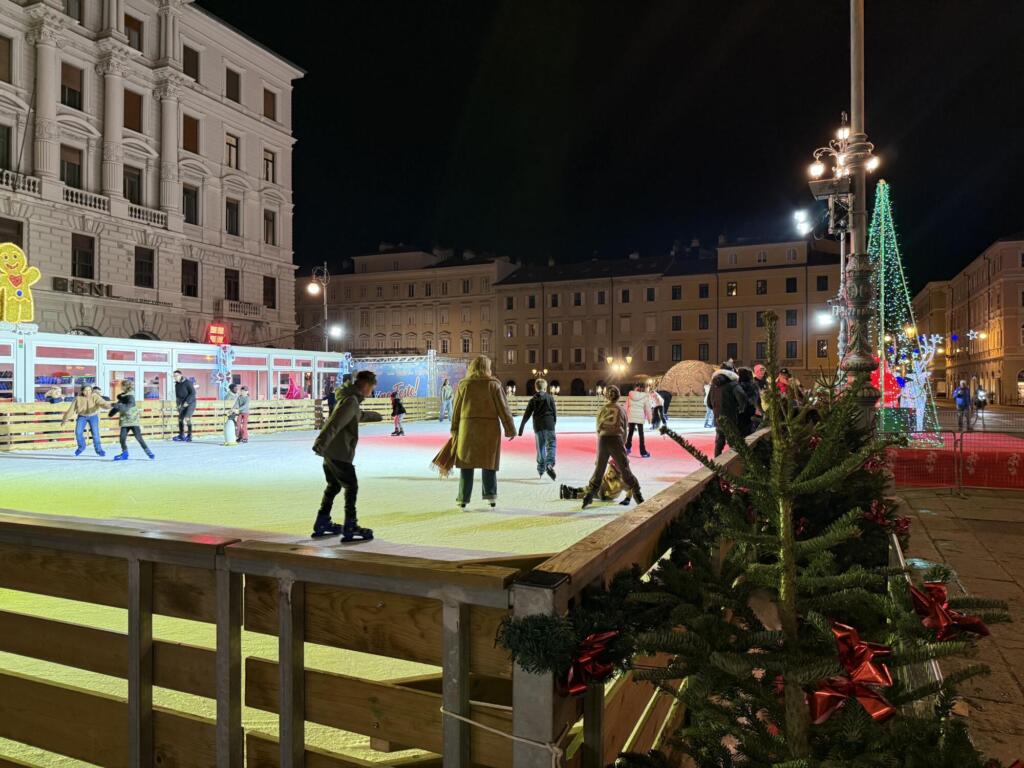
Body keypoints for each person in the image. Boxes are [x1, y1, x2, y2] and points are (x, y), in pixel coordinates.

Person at [311, 369, 383, 540]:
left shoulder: (349, 400)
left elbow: (357, 416)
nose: (371, 392)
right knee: (351, 486)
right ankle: (351, 525)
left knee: (334, 486)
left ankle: (322, 521)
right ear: (366, 385)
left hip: (333, 452)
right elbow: (335, 423)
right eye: (371, 388)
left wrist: (375, 416)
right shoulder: (351, 401)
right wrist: (321, 443)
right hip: (339, 452)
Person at [450, 355, 516, 508]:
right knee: (489, 463)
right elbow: (503, 409)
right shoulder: (494, 385)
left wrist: (454, 428)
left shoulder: (463, 385)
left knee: (467, 464)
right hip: (489, 430)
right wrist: (510, 428)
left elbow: (456, 410)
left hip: (468, 429)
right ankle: (490, 496)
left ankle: (463, 498)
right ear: (487, 367)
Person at [582, 386, 642, 509]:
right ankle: (637, 495)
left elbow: (598, 428)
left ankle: (589, 495)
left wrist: (600, 449)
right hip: (616, 439)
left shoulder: (602, 409)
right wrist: (622, 445)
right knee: (625, 470)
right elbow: (625, 429)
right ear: (618, 396)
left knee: (599, 470)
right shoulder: (621, 410)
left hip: (603, 439)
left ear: (606, 396)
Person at [518, 377, 557, 480]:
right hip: (549, 425)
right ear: (545, 388)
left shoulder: (533, 400)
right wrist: (553, 423)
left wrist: (521, 428)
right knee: (551, 445)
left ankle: (541, 469)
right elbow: (554, 412)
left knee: (540, 448)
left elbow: (527, 414)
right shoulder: (550, 398)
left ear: (536, 388)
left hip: (538, 426)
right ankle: (549, 464)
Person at [110, 380, 154, 461]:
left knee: (138, 437)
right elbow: (119, 406)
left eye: (122, 386)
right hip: (125, 421)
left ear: (126, 386)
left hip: (133, 420)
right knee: (122, 438)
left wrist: (117, 406)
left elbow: (127, 407)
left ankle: (148, 451)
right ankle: (125, 453)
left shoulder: (130, 396)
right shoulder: (123, 396)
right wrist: (111, 413)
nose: (121, 387)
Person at [707, 362, 744, 457]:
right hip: (730, 418)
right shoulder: (733, 384)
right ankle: (735, 464)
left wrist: (716, 409)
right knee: (734, 443)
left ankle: (716, 464)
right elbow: (742, 398)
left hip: (718, 418)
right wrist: (740, 408)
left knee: (719, 443)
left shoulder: (713, 385)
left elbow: (709, 403)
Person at [61, 384, 108, 456]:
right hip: (82, 416)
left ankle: (99, 450)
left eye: (89, 390)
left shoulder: (95, 396)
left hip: (93, 416)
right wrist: (65, 419)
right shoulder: (78, 398)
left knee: (95, 434)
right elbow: (71, 410)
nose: (87, 392)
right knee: (78, 432)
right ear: (82, 391)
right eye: (85, 390)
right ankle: (81, 447)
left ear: (91, 390)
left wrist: (108, 406)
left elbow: (102, 403)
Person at [561, 457, 629, 504]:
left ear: (617, 473)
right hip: (602, 488)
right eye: (608, 469)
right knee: (589, 487)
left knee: (590, 493)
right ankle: (575, 490)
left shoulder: (619, 482)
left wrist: (627, 499)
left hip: (605, 495)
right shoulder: (608, 476)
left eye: (611, 471)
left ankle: (571, 495)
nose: (608, 472)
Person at [625, 386, 652, 458]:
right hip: (640, 417)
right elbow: (648, 408)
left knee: (630, 432)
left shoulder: (630, 396)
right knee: (641, 435)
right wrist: (650, 418)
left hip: (631, 416)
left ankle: (627, 448)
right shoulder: (644, 397)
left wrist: (624, 417)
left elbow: (625, 406)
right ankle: (643, 452)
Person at [172, 370, 196, 442]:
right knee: (180, 419)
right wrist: (178, 405)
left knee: (187, 418)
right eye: (174, 376)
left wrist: (187, 402)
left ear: (181, 375)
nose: (175, 377)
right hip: (182, 403)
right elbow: (178, 396)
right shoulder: (177, 384)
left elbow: (193, 393)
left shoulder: (188, 383)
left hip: (191, 403)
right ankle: (181, 434)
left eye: (176, 376)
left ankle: (189, 435)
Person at [735, 367, 760, 436]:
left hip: (740, 412)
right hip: (751, 410)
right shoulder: (754, 385)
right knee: (749, 430)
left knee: (741, 431)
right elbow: (756, 399)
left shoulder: (737, 386)